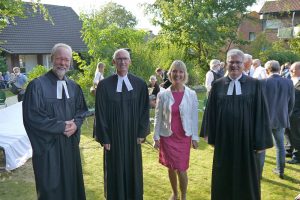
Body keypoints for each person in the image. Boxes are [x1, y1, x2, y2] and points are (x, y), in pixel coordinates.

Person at [200, 49, 273, 200]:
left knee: (247, 177)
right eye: (231, 62)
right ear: (226, 63)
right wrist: (210, 135)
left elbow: (261, 113)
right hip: (224, 141)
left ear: (244, 64)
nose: (234, 65)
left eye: (238, 62)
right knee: (223, 175)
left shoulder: (255, 85)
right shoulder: (218, 85)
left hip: (247, 141)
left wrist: (260, 142)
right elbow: (211, 112)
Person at [22, 43, 87, 200]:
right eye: (59, 59)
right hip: (48, 150)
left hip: (70, 148)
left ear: (70, 62)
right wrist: (62, 126)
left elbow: (82, 111)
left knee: (72, 187)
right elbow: (32, 118)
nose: (63, 63)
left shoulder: (74, 87)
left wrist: (76, 124)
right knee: (51, 190)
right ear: (52, 59)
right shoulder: (37, 86)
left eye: (66, 60)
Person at [95, 48, 150, 200]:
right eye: (119, 59)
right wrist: (104, 138)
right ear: (113, 62)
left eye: (125, 58)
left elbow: (144, 110)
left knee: (133, 169)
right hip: (113, 138)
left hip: (133, 137)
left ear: (130, 61)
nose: (122, 62)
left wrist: (142, 132)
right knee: (115, 169)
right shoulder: (104, 85)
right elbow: (100, 113)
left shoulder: (139, 84)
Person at [153, 60, 199, 200]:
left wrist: (195, 137)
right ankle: (174, 193)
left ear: (184, 74)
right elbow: (158, 116)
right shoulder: (163, 94)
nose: (177, 74)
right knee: (171, 167)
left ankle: (183, 196)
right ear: (170, 73)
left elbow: (194, 117)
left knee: (182, 168)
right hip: (168, 136)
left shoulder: (191, 94)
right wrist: (156, 137)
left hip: (184, 137)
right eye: (174, 71)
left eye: (180, 71)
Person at [262, 60, 294, 179]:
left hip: (264, 119)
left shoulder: (262, 82)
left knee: (262, 146)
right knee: (280, 146)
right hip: (280, 118)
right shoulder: (288, 82)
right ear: (278, 69)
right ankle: (280, 170)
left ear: (267, 70)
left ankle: (258, 172)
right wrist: (286, 114)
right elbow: (292, 103)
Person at [286, 61, 300, 164]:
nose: (291, 70)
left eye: (293, 69)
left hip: (297, 114)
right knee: (287, 132)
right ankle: (289, 150)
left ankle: (297, 156)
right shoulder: (290, 80)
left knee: (296, 135)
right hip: (287, 112)